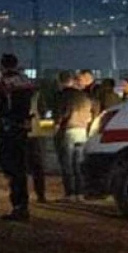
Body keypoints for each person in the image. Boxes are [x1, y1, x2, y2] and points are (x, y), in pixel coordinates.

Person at [0, 53, 37, 221]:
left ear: (3, 65)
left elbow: (1, 106)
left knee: (12, 168)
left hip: (9, 129)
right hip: (23, 128)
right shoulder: (27, 81)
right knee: (21, 168)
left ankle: (18, 206)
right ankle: (22, 205)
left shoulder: (3, 83)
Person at [53, 70, 92, 202]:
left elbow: (60, 115)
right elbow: (89, 115)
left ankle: (70, 193)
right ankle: (80, 193)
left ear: (60, 81)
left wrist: (56, 127)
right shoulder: (84, 96)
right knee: (78, 164)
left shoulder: (62, 96)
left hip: (68, 130)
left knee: (67, 164)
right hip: (82, 131)